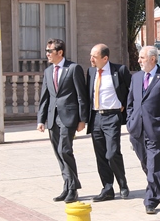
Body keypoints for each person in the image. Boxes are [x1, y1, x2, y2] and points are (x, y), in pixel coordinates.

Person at [126, 45, 160, 214]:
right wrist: (130, 121)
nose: (139, 61)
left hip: (157, 130)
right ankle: (158, 188)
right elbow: (131, 102)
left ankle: (151, 200)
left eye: (142, 57)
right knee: (146, 163)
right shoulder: (136, 78)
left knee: (153, 165)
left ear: (152, 58)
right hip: (137, 130)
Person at [37, 38, 89, 203]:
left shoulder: (73, 68)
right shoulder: (48, 71)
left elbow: (82, 95)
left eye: (49, 51)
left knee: (64, 150)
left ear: (60, 52)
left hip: (69, 118)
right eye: (46, 51)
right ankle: (67, 186)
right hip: (53, 118)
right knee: (58, 154)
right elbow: (44, 97)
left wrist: (82, 119)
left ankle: (73, 189)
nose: (47, 54)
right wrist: (41, 119)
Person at [86, 44, 131, 202]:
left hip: (112, 117)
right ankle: (107, 188)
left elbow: (130, 90)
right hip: (96, 117)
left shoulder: (119, 71)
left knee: (112, 153)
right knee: (100, 155)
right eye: (91, 55)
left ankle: (123, 184)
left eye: (94, 56)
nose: (91, 59)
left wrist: (125, 105)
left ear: (105, 58)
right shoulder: (91, 72)